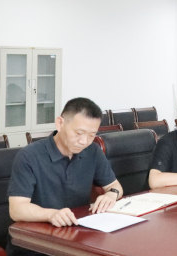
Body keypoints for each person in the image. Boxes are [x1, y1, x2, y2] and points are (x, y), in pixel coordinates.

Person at [7, 98, 123, 254]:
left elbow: (115, 186)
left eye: (91, 135)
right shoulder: (29, 156)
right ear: (60, 123)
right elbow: (17, 209)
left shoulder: (93, 152)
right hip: (35, 244)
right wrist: (51, 214)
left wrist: (111, 195)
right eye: (78, 133)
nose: (84, 141)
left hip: (77, 238)